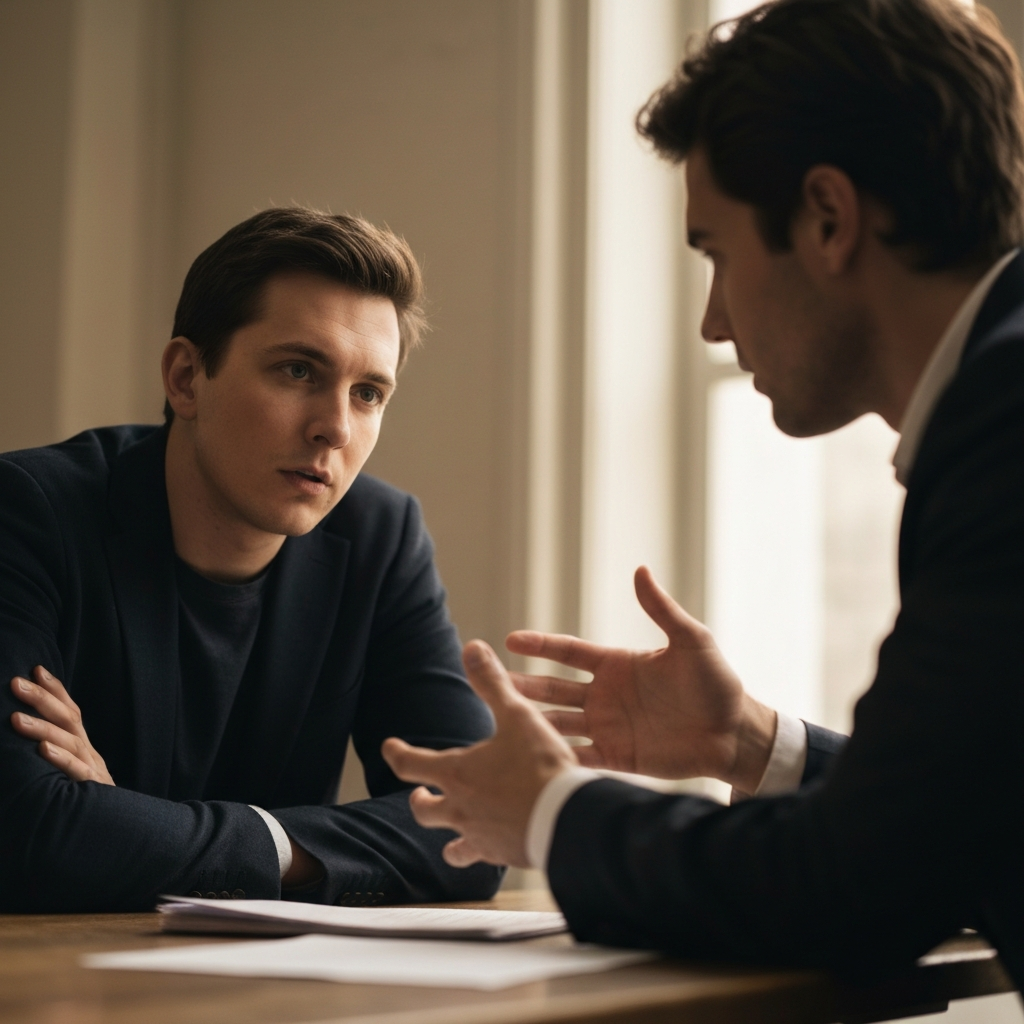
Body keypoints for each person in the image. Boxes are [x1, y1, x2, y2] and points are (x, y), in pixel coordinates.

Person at [381, 0, 1024, 990]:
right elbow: (965, 813)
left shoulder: (1002, 431)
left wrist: (553, 808)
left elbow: (857, 888)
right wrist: (752, 744)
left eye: (716, 253)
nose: (712, 324)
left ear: (827, 218)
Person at [0, 207, 502, 911]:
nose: (335, 427)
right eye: (299, 370)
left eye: (368, 394)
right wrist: (288, 851)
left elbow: (474, 825)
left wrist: (145, 823)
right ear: (185, 378)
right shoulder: (28, 512)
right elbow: (25, 830)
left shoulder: (380, 538)